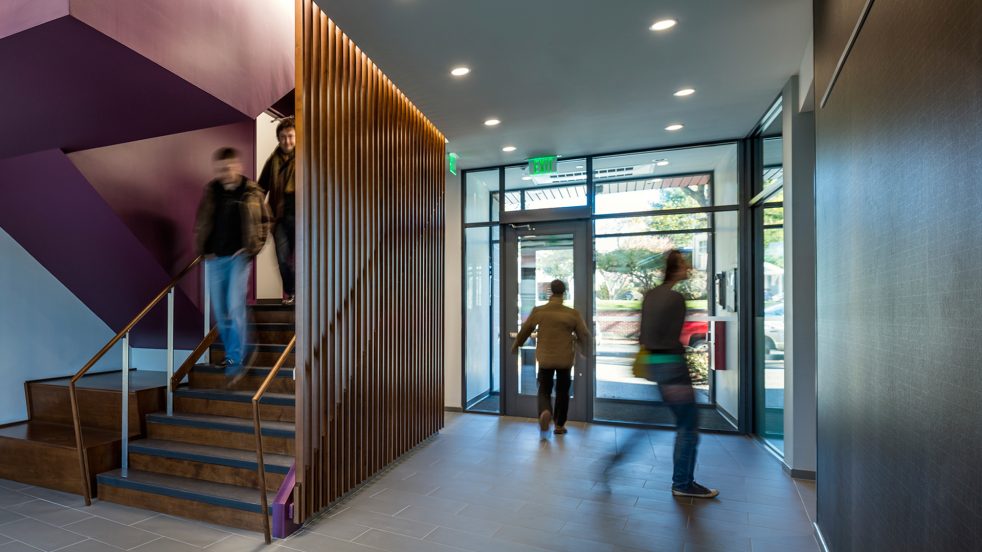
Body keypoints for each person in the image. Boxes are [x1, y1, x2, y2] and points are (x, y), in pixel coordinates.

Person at [629, 250, 718, 498]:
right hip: (673, 367)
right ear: (675, 268)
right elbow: (672, 337)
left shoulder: (651, 296)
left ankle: (614, 459)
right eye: (685, 265)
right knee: (688, 426)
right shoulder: (676, 298)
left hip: (655, 365)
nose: (688, 268)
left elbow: (643, 334)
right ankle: (682, 483)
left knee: (651, 422)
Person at [194, 147, 270, 381]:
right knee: (219, 310)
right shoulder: (212, 191)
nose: (224, 173)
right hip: (215, 259)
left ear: (238, 166)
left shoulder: (251, 191)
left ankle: (236, 359)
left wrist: (251, 249)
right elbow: (202, 221)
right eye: (220, 169)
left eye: (228, 168)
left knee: (234, 305)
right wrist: (204, 250)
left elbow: (265, 223)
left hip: (238, 259)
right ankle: (234, 353)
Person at [511, 279, 591, 437]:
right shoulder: (572, 314)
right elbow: (585, 335)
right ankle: (559, 425)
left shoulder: (539, 311)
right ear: (564, 293)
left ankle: (545, 412)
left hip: (545, 359)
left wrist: (516, 345)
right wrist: (585, 351)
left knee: (544, 390)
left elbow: (526, 330)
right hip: (565, 361)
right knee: (562, 392)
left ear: (550, 292)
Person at [257, 117, 297, 305]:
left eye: (290, 136)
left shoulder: (306, 157)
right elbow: (261, 188)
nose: (287, 141)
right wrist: (260, 211)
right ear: (278, 139)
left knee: (303, 259)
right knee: (282, 258)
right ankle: (291, 291)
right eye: (283, 137)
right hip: (280, 218)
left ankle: (302, 293)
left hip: (303, 217)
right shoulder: (272, 161)